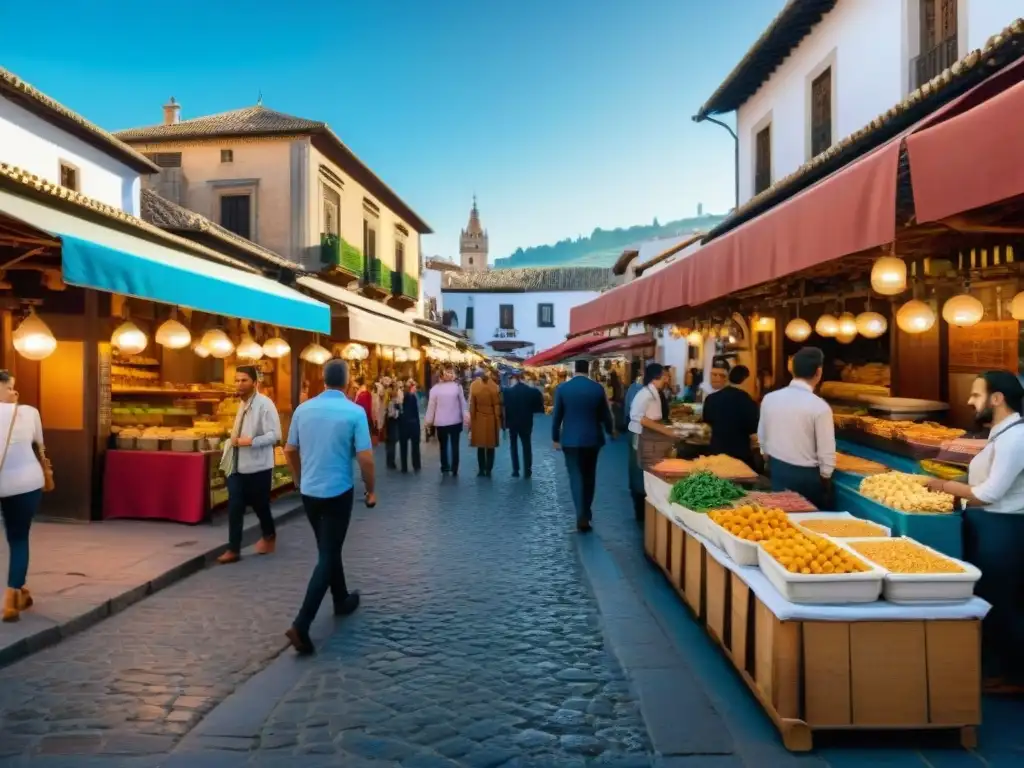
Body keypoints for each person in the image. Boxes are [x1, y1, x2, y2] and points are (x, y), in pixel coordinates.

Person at [922, 371, 1024, 690]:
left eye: (976, 395)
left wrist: (942, 486)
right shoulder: (1000, 434)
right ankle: (997, 668)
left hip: (1004, 529)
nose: (969, 401)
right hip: (989, 524)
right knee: (992, 598)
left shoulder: (1015, 438)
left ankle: (1014, 675)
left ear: (997, 399)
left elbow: (989, 493)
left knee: (1003, 602)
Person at [283, 358, 374, 655]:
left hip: (310, 491)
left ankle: (341, 599)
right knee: (328, 552)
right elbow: (365, 458)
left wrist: (298, 478)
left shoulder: (303, 409)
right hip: (338, 490)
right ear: (347, 382)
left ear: (322, 381)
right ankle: (302, 623)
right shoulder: (355, 411)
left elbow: (289, 449)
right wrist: (371, 489)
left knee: (327, 547)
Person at [217, 365, 281, 565]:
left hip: (259, 466)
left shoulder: (265, 404)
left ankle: (269, 535)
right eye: (236, 380)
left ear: (255, 382)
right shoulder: (241, 404)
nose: (239, 384)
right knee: (235, 505)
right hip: (237, 466)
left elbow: (276, 436)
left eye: (244, 380)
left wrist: (251, 441)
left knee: (261, 505)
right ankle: (233, 548)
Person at [757, 347, 835, 509]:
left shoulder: (769, 398)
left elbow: (762, 437)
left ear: (792, 370)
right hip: (806, 477)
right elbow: (826, 451)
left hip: (777, 468)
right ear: (818, 372)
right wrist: (826, 478)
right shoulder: (820, 407)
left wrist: (768, 458)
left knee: (781, 522)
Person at [0, 371, 45, 623]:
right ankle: (12, 599)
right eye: (11, 387)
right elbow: (39, 442)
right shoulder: (28, 412)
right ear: (5, 387)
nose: (14, 391)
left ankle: (19, 590)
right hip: (26, 483)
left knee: (15, 537)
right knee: (18, 538)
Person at [552, 359, 615, 532]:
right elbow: (605, 415)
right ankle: (586, 512)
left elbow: (557, 415)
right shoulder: (597, 389)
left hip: (570, 440)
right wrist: (611, 430)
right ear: (587, 370)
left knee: (575, 477)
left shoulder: (563, 389)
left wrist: (555, 437)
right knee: (589, 476)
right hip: (592, 439)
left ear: (574, 370)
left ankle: (580, 513)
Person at [628, 363, 678, 521]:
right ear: (657, 377)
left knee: (650, 474)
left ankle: (649, 509)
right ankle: (642, 510)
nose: (667, 378)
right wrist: (665, 430)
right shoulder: (645, 394)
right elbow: (637, 416)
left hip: (652, 438)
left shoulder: (656, 392)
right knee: (642, 473)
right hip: (643, 438)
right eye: (665, 376)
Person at [703, 364, 759, 468]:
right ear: (745, 380)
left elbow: (707, 424)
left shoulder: (710, 399)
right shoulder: (748, 401)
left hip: (716, 453)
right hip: (740, 456)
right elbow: (753, 433)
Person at [425, 367, 468, 476]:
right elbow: (463, 403)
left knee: (443, 445)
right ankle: (455, 467)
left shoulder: (435, 389)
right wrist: (466, 417)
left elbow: (431, 407)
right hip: (455, 421)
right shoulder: (457, 387)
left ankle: (445, 466)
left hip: (441, 422)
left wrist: (428, 421)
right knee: (455, 445)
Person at [503, 372, 544, 478]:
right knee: (527, 446)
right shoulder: (532, 391)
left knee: (513, 446)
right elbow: (538, 408)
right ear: (523, 379)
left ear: (514, 379)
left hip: (512, 423)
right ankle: (527, 470)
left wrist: (505, 424)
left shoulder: (508, 392)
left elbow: (504, 408)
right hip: (526, 422)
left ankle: (515, 470)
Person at [469, 368, 502, 477]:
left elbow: (472, 405)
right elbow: (497, 405)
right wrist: (498, 420)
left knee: (480, 445)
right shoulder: (494, 387)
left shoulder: (474, 386)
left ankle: (481, 469)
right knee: (490, 446)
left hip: (478, 417)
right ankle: (488, 470)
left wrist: (472, 420)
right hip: (491, 418)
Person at [399, 379, 422, 473]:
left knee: (404, 447)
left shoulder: (406, 396)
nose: (416, 388)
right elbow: (416, 413)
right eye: (415, 387)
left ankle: (404, 467)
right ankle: (416, 465)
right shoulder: (410, 396)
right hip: (412, 424)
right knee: (415, 446)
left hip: (404, 424)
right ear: (411, 387)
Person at [384, 380, 402, 470]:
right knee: (392, 443)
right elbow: (392, 414)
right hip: (392, 423)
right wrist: (398, 412)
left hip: (392, 423)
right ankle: (390, 461)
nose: (396, 391)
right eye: (395, 389)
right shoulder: (391, 402)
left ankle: (390, 460)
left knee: (392, 443)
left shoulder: (393, 401)